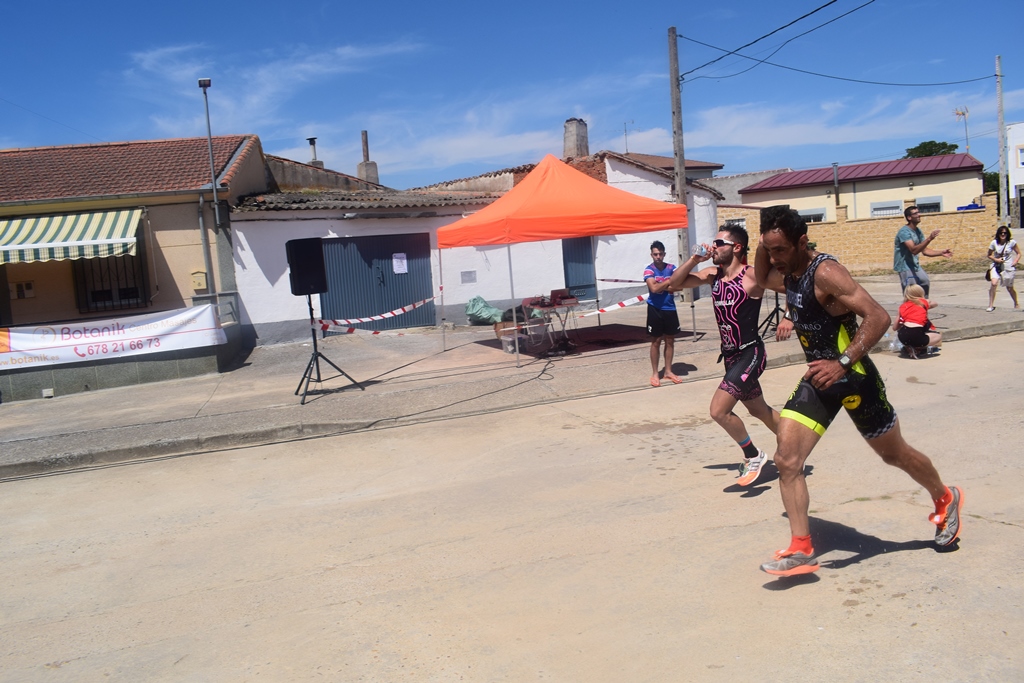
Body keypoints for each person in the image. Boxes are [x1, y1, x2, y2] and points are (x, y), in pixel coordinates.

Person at [754, 205, 962, 577]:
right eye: (769, 250)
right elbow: (760, 276)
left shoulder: (826, 273)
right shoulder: (788, 272)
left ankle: (946, 497)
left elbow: (878, 316)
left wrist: (842, 362)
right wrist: (764, 242)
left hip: (855, 378)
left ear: (802, 242)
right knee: (787, 459)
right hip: (820, 380)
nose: (774, 258)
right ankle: (801, 548)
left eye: (780, 249)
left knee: (895, 455)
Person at [668, 226, 780, 486]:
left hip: (750, 353)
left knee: (718, 411)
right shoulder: (712, 276)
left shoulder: (752, 276)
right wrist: (695, 259)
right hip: (730, 357)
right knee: (759, 410)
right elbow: (674, 284)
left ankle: (753, 455)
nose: (714, 247)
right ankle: (794, 443)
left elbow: (793, 288)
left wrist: (788, 317)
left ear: (736, 247)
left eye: (719, 243)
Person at [644, 240, 682, 387]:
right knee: (656, 341)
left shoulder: (672, 268)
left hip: (670, 308)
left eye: (660, 254)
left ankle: (668, 371)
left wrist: (661, 285)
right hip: (655, 309)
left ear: (664, 254)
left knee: (670, 340)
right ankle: (655, 373)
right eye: (655, 254)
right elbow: (653, 289)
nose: (658, 257)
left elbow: (679, 287)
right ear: (651, 255)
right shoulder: (649, 270)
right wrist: (669, 282)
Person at [893, 206, 952, 297]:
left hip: (914, 265)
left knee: (925, 282)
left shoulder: (918, 231)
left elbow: (924, 250)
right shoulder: (904, 232)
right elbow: (914, 250)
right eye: (915, 213)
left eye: (918, 212)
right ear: (909, 217)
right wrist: (929, 238)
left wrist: (941, 253)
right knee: (911, 292)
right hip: (904, 267)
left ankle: (923, 304)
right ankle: (911, 306)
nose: (919, 215)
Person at [893, 284, 941, 357]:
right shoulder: (923, 302)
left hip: (903, 336)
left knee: (906, 330)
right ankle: (919, 349)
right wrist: (926, 303)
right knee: (938, 336)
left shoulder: (902, 306)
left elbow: (894, 328)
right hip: (917, 334)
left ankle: (908, 347)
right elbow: (935, 304)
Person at [986, 226, 1020, 312]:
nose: (1003, 234)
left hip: (1008, 267)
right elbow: (989, 255)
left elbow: (1019, 253)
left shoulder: (1011, 242)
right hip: (996, 266)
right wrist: (996, 259)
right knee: (994, 283)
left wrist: (1016, 261)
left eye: (1005, 233)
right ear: (998, 234)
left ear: (1007, 234)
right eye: (1001, 233)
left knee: (1009, 288)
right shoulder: (994, 243)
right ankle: (990, 305)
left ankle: (1016, 303)